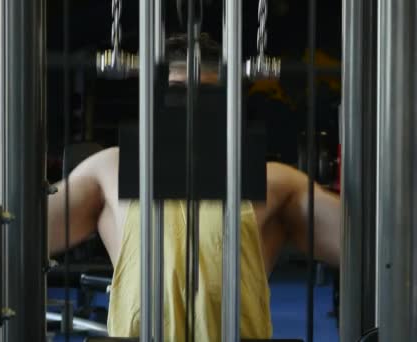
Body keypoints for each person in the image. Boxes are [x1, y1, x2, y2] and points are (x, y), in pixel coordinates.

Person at [48, 33, 341, 341]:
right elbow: (20, 236)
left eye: (206, 94)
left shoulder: (275, 182)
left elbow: (369, 248)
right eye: (176, 91)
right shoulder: (110, 170)